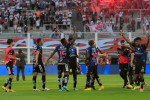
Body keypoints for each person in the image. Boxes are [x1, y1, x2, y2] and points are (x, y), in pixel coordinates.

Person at [45, 26, 76, 92]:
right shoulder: (67, 45)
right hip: (65, 62)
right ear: (64, 42)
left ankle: (60, 88)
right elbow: (74, 40)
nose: (67, 41)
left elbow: (52, 54)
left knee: (59, 75)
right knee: (67, 73)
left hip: (59, 62)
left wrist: (47, 60)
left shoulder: (58, 47)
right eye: (65, 40)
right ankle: (64, 85)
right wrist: (74, 31)